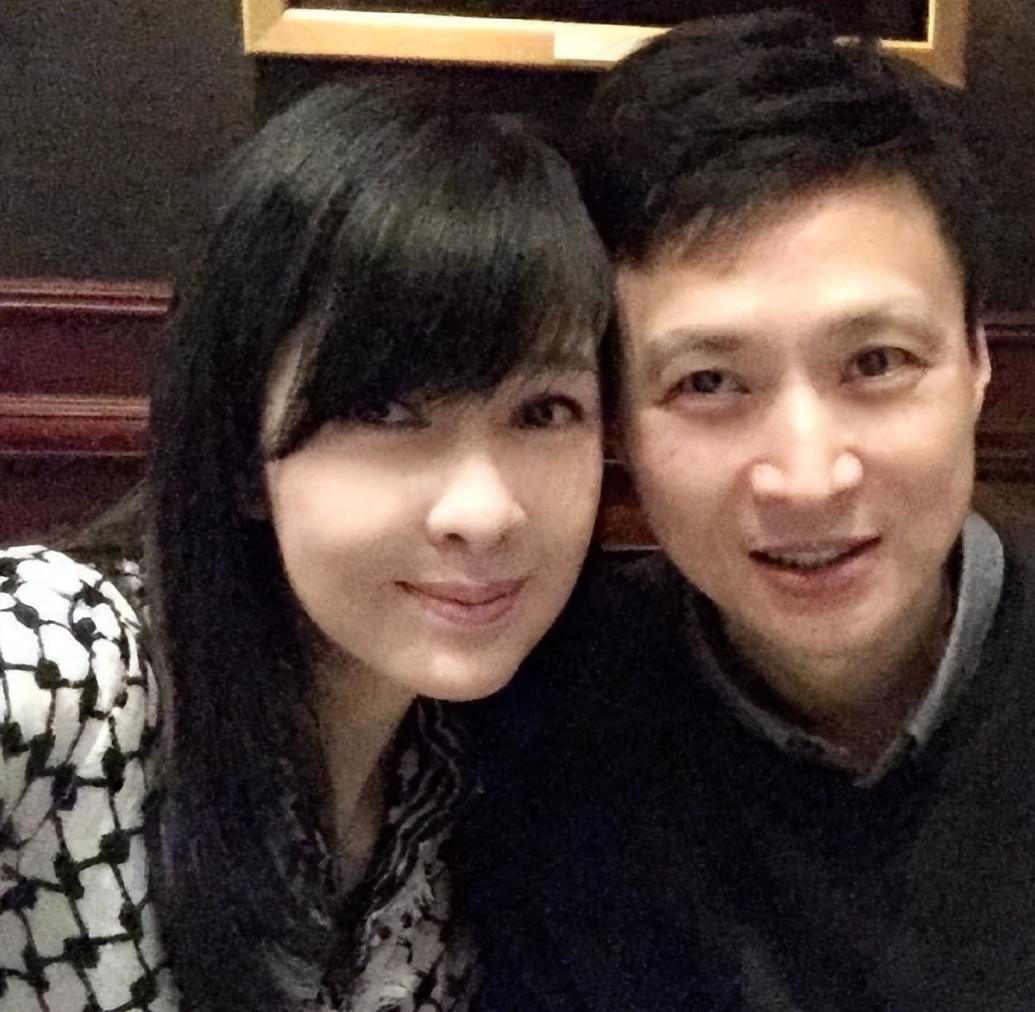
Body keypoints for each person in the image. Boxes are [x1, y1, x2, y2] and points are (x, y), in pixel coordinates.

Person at [467, 11, 1035, 1011]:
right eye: (709, 382)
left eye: (876, 362)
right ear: (617, 421)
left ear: (977, 362)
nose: (808, 478)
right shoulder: (542, 723)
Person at [0, 80, 609, 1012]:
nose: (486, 512)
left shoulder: (461, 788)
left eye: (544, 411)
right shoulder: (66, 666)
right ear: (243, 455)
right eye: (384, 409)